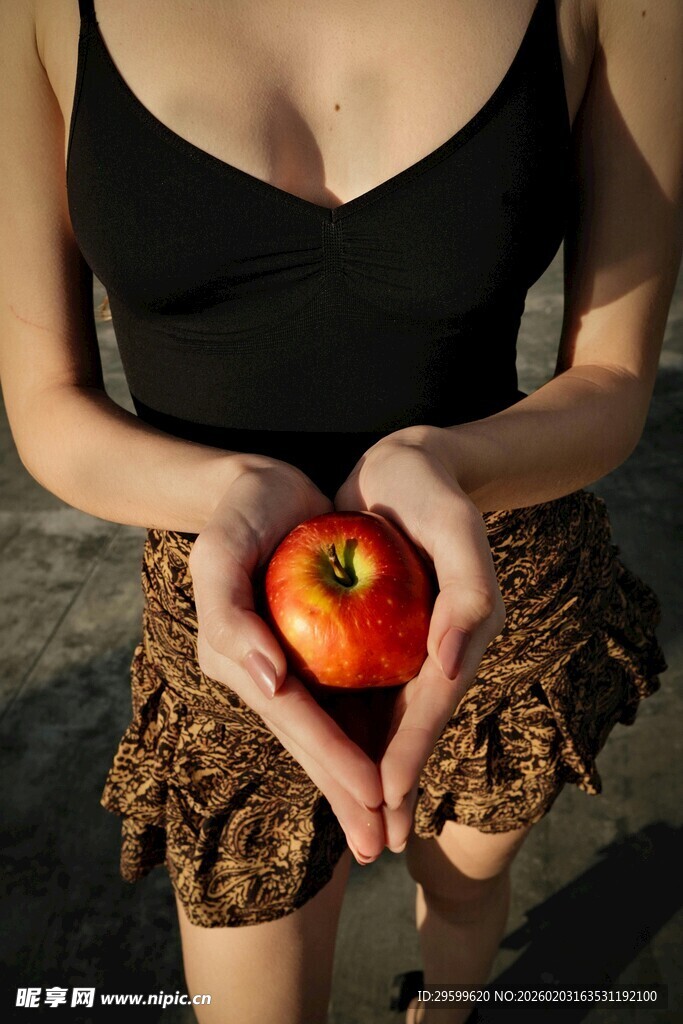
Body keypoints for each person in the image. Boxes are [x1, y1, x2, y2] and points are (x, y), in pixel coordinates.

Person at [1, 0, 680, 1021]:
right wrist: (225, 494)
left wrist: (443, 460)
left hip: (485, 595)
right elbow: (46, 401)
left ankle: (441, 1011)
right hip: (225, 624)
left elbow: (612, 376)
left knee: (461, 885)